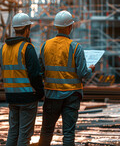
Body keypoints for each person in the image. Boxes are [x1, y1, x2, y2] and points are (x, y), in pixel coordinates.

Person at [38, 10, 95, 146]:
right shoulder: (76, 48)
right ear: (70, 27)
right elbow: (83, 73)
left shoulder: (45, 46)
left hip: (51, 95)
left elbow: (40, 71)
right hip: (72, 96)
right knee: (68, 133)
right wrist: (91, 69)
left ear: (56, 27)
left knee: (46, 131)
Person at [0, 12, 44, 146]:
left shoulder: (4, 48)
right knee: (24, 135)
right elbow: (35, 74)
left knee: (13, 132)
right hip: (27, 97)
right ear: (27, 29)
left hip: (11, 97)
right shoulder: (27, 48)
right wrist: (40, 92)